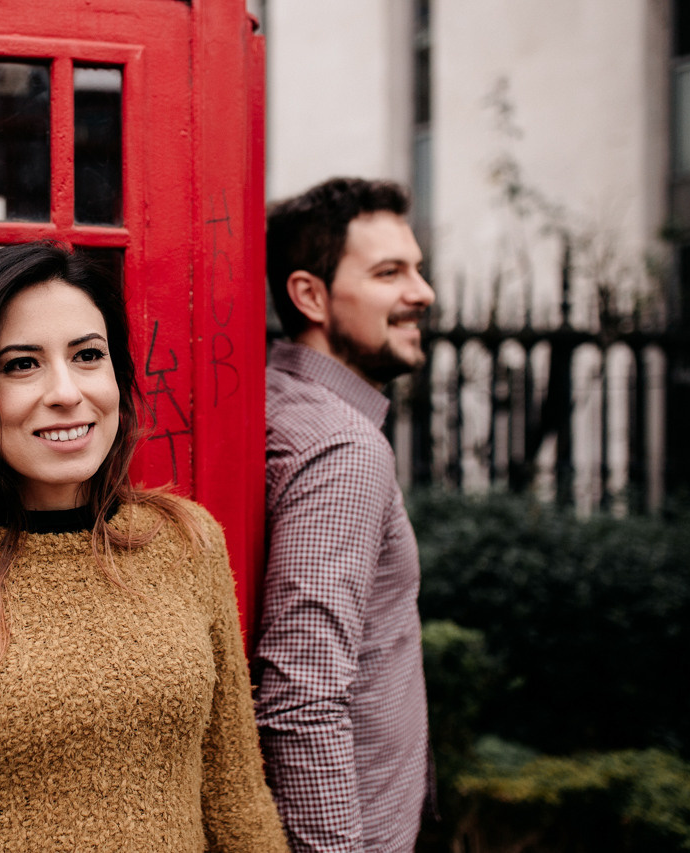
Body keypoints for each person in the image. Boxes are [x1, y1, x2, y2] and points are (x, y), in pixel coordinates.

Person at [0, 241, 288, 852]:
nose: (67, 391)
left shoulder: (185, 541)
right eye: (21, 364)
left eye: (88, 355)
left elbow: (236, 798)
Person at [253, 178, 435, 852]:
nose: (423, 292)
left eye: (417, 267)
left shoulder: (278, 392)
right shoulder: (343, 446)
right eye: (390, 272)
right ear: (310, 296)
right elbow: (300, 697)